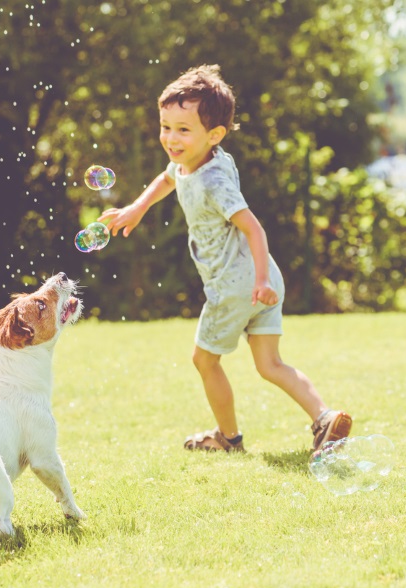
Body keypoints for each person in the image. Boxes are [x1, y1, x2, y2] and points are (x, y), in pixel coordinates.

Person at [98, 64, 351, 453]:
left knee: (204, 360)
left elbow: (255, 229)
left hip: (238, 285)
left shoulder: (213, 181)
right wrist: (137, 207)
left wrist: (260, 281)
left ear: (213, 134)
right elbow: (168, 177)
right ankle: (323, 417)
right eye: (166, 126)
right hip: (260, 279)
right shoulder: (199, 160)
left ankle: (228, 438)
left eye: (183, 129)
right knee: (270, 365)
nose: (171, 138)